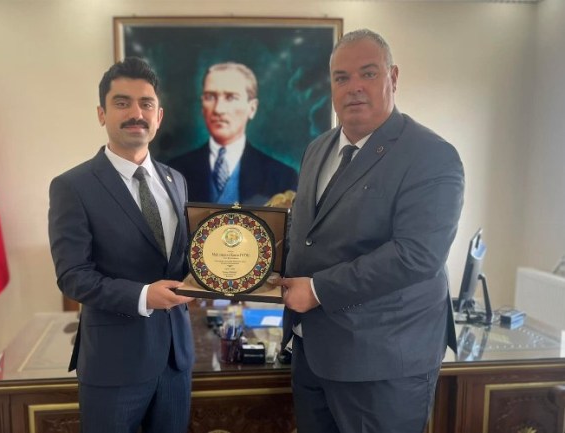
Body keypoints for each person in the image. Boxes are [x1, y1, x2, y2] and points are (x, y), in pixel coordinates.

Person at [279, 29, 464, 433]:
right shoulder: (317, 149)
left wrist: (317, 290)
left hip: (383, 367)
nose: (354, 87)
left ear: (392, 77)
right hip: (312, 354)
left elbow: (416, 256)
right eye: (341, 78)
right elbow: (307, 238)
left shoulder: (431, 155)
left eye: (368, 73)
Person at [48, 57, 195, 433]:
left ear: (158, 116)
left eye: (146, 104)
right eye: (122, 103)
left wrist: (232, 276)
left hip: (175, 360)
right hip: (113, 365)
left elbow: (183, 260)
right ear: (102, 114)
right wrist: (144, 296)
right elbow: (73, 276)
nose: (136, 114)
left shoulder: (176, 180)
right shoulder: (72, 187)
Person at [168, 62, 298, 206]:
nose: (218, 109)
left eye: (231, 97)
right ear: (202, 106)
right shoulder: (173, 171)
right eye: (210, 97)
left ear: (252, 108)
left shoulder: (282, 177)